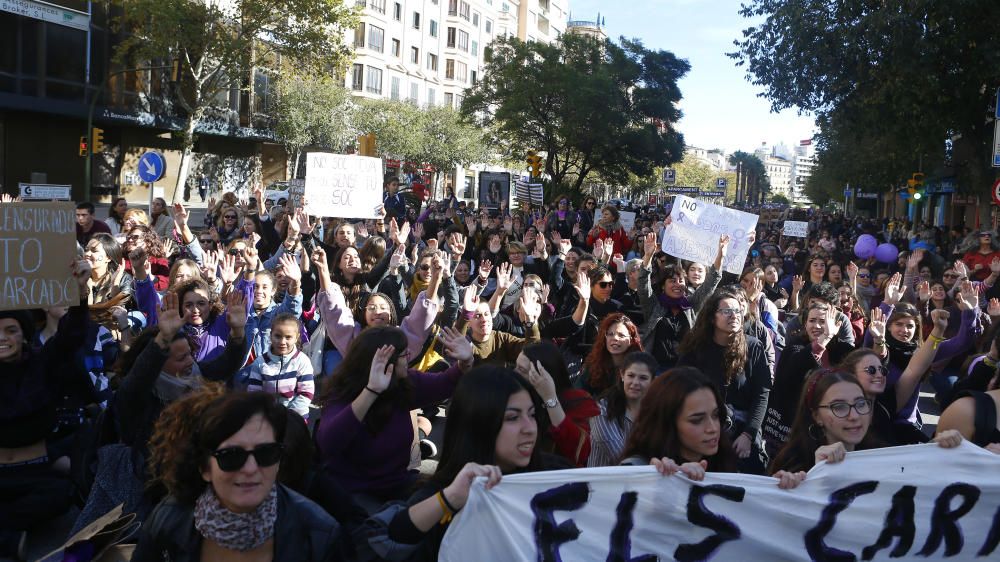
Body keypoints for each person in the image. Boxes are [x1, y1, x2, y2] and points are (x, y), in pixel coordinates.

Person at [359, 366, 570, 560]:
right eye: (512, 418)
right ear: (478, 424)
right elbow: (380, 542)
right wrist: (447, 500)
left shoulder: (558, 475)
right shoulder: (446, 494)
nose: (529, 428)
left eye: (532, 415)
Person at [132, 390, 341, 561]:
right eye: (231, 456)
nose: (250, 468)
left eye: (265, 453)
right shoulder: (167, 523)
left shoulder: (318, 535)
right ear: (205, 468)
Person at [315, 326, 474, 509]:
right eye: (404, 355)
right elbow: (328, 442)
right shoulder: (341, 393)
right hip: (353, 490)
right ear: (385, 362)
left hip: (398, 483)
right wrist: (371, 391)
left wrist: (466, 362)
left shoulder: (403, 383)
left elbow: (445, 384)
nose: (409, 358)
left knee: (451, 500)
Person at [0, 259, 91, 559]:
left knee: (59, 496)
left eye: (10, 330)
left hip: (36, 473)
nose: (3, 338)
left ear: (23, 335)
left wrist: (79, 294)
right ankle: (9, 539)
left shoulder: (43, 363)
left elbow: (71, 336)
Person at [620, 367, 804, 489]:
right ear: (666, 423)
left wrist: (778, 489)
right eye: (696, 420)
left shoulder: (725, 461)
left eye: (716, 415)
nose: (713, 428)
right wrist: (651, 480)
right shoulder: (638, 467)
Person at [769, 369, 963, 474]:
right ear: (816, 416)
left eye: (860, 403)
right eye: (839, 407)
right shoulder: (793, 466)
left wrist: (935, 451)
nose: (854, 415)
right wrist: (809, 480)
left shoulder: (881, 453)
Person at [516, 341, 600, 467]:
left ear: (542, 374)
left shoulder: (579, 400)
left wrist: (549, 397)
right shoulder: (517, 399)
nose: (515, 373)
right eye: (516, 366)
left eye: (521, 370)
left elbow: (580, 450)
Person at [588, 352, 656, 467]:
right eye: (631, 375)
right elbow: (620, 457)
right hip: (603, 482)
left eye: (643, 378)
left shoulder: (656, 410)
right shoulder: (602, 409)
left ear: (652, 381)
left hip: (642, 480)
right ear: (622, 375)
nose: (635, 383)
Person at [247, 313, 315, 421]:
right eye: (278, 336)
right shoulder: (260, 363)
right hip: (268, 419)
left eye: (288, 337)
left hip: (295, 419)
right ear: (271, 335)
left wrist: (290, 417)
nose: (282, 342)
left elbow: (306, 393)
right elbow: (254, 393)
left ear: (297, 337)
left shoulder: (302, 361)